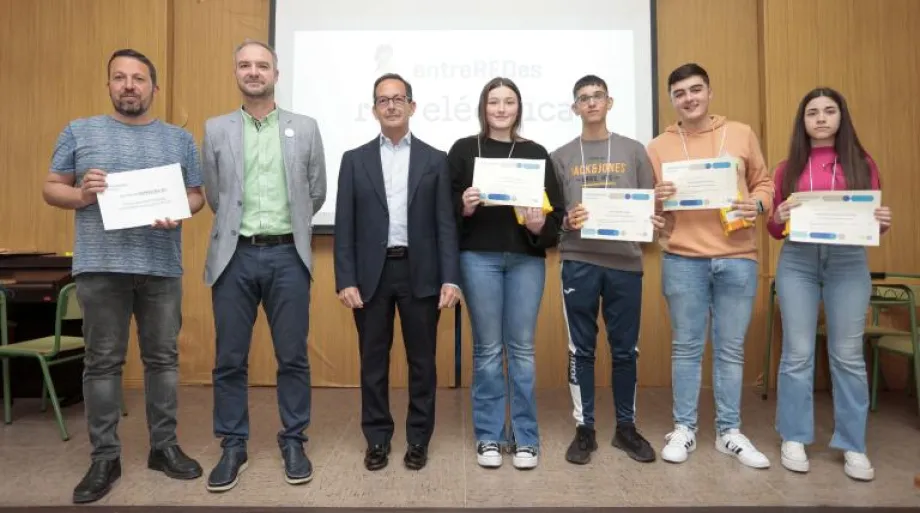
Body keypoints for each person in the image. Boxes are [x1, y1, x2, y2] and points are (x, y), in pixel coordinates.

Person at [42, 48, 205, 504]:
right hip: (101, 267)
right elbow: (51, 187)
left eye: (138, 78)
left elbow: (197, 195)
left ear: (154, 87)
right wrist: (81, 195)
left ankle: (164, 447)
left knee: (163, 361)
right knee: (102, 363)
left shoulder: (179, 139)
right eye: (120, 77)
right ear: (109, 85)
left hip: (160, 268)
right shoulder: (80, 131)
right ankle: (105, 457)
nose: (129, 85)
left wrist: (179, 209)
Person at [201, 40, 326, 492]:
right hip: (233, 257)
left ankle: (293, 440)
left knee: (293, 357)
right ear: (236, 72)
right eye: (245, 65)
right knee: (229, 359)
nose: (253, 72)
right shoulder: (215, 129)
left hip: (288, 256)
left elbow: (316, 192)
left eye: (262, 65)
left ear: (276, 73)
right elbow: (215, 195)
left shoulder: (305, 128)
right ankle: (233, 445)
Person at [647, 63, 774, 468]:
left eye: (695, 89)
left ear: (709, 92)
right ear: (672, 100)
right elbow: (651, 208)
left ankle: (728, 431)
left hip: (737, 258)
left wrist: (757, 204)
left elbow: (764, 184)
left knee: (731, 349)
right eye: (680, 93)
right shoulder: (658, 147)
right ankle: (684, 428)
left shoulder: (740, 133)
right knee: (686, 348)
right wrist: (655, 199)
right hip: (683, 258)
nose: (689, 98)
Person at [333, 73, 461, 472]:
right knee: (373, 362)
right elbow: (344, 226)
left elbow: (446, 224)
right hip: (370, 276)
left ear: (412, 106)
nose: (391, 105)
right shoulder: (354, 160)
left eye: (398, 98)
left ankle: (418, 438)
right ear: (374, 110)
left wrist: (451, 277)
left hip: (421, 273)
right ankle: (377, 438)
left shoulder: (435, 159)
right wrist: (345, 279)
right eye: (383, 100)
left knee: (422, 362)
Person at [767, 87, 890, 482]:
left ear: (841, 117)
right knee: (797, 353)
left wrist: (881, 223)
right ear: (802, 121)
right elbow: (774, 229)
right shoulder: (787, 167)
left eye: (829, 111)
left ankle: (853, 444)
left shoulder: (863, 164)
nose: (820, 118)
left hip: (848, 261)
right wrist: (778, 216)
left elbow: (871, 225)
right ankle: (794, 436)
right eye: (812, 112)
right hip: (798, 261)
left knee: (848, 355)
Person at [449, 77, 565, 470]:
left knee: (522, 351)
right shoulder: (464, 149)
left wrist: (538, 226)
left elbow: (556, 218)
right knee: (487, 350)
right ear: (483, 107)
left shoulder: (535, 153)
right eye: (494, 101)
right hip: (477, 259)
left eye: (509, 102)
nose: (501, 109)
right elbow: (444, 211)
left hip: (525, 261)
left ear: (519, 107)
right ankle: (489, 436)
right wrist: (464, 207)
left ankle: (526, 437)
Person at [550, 75, 660, 465]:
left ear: (609, 102)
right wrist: (566, 220)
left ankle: (626, 428)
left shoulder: (634, 150)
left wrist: (652, 221)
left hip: (625, 263)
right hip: (578, 260)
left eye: (598, 96)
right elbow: (553, 218)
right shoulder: (560, 156)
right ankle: (585, 429)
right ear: (575, 107)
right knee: (580, 349)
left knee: (625, 349)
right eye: (584, 98)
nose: (592, 103)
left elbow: (651, 207)